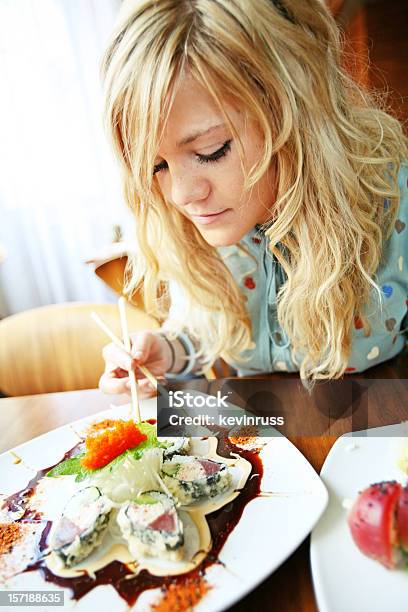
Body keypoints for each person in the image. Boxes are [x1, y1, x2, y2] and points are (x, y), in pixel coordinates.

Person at [98, 0, 408, 399]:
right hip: (257, 443)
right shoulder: (201, 224)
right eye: (156, 166)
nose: (181, 194)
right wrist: (168, 350)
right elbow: (210, 331)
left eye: (211, 150)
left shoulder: (393, 195)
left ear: (293, 108)